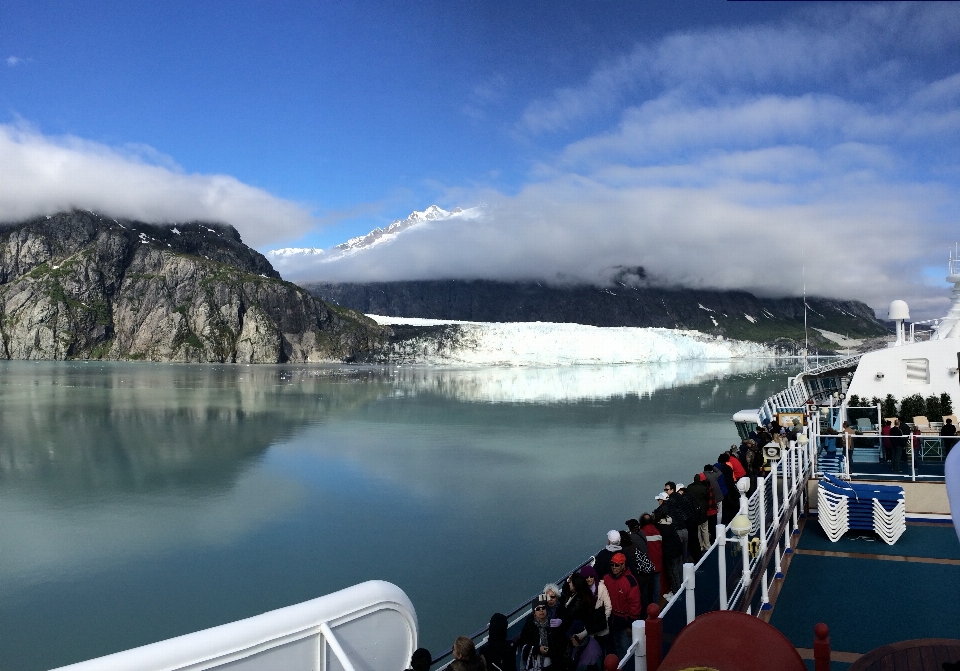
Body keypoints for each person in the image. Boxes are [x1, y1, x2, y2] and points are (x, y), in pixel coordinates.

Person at [601, 553, 640, 660]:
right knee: (617, 645)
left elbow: (635, 604)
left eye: (617, 565)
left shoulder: (629, 582)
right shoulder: (607, 578)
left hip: (624, 621)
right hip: (613, 619)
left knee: (626, 648)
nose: (614, 567)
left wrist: (631, 624)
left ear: (623, 565)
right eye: (612, 564)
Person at [519, 595, 563, 671]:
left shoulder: (552, 623)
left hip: (553, 664)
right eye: (538, 609)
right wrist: (538, 649)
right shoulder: (529, 626)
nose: (541, 610)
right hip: (535, 665)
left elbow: (559, 644)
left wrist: (549, 651)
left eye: (543, 608)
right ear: (534, 612)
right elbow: (523, 646)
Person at [578, 566, 611, 651]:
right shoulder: (582, 591)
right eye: (586, 577)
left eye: (591, 576)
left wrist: (604, 620)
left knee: (604, 649)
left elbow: (608, 606)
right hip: (590, 629)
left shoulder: (601, 587)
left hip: (602, 627)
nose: (589, 579)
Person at [654, 508, 683, 600]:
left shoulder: (659, 527)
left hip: (670, 552)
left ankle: (676, 592)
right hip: (678, 548)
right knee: (678, 569)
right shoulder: (669, 523)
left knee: (672, 572)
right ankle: (679, 589)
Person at [663, 482, 693, 561]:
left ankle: (684, 566)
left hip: (683, 523)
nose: (665, 491)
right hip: (688, 519)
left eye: (667, 489)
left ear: (672, 490)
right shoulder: (678, 496)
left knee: (681, 550)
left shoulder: (671, 500)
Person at [638, 513, 662, 610]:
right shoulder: (657, 531)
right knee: (657, 582)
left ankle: (648, 604)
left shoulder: (642, 533)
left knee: (647, 585)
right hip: (657, 561)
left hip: (647, 563)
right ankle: (656, 603)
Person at [683, 476, 710, 556]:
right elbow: (707, 497)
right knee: (705, 529)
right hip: (703, 511)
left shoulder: (689, 487)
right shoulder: (703, 488)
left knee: (697, 530)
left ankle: (700, 546)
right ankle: (707, 545)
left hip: (695, 512)